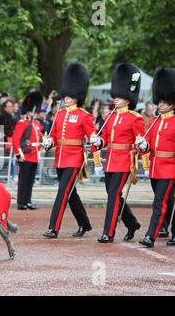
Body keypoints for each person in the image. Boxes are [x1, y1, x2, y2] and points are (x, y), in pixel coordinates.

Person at [91, 63, 144, 243]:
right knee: (113, 194)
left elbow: (140, 140)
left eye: (120, 96)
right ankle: (132, 223)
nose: (116, 99)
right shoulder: (110, 117)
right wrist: (99, 141)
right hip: (110, 160)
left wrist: (139, 144)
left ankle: (109, 232)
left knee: (113, 196)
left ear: (128, 99)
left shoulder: (135, 118)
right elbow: (105, 137)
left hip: (124, 161)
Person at [43, 63, 95, 238]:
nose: (66, 97)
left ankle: (53, 228)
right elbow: (55, 137)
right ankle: (84, 223)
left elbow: (93, 135)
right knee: (71, 194)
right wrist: (48, 142)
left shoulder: (84, 115)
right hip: (60, 157)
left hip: (74, 158)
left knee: (62, 192)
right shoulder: (59, 114)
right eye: (65, 94)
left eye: (70, 95)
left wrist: (96, 141)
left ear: (77, 97)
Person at [136, 67, 175, 247]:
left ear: (172, 103)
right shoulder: (153, 122)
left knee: (159, 202)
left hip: (170, 168)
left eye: (163, 102)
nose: (159, 105)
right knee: (166, 201)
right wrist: (143, 146)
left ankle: (150, 236)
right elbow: (148, 145)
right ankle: (167, 229)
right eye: (158, 101)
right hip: (155, 168)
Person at [12, 91, 43, 210]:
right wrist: (19, 154)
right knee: (23, 180)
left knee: (30, 180)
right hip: (26, 155)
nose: (34, 113)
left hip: (34, 155)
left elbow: (38, 139)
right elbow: (16, 140)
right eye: (32, 111)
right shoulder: (22, 123)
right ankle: (21, 202)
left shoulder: (36, 124)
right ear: (28, 111)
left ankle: (28, 200)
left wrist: (39, 152)